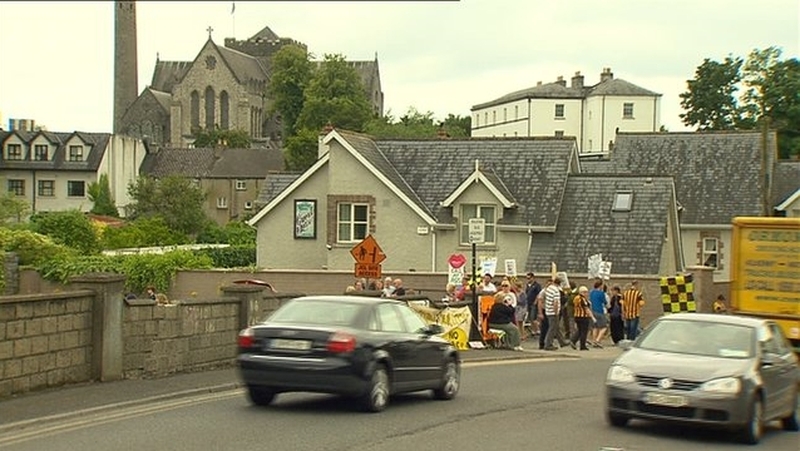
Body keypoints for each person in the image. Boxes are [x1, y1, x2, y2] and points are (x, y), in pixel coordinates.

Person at [488, 285, 523, 351]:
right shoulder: (501, 306)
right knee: (515, 329)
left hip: (493, 323)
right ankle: (516, 344)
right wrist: (509, 304)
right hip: (500, 323)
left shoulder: (494, 306)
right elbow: (511, 311)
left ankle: (508, 344)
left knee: (508, 330)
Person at [542, 277, 569, 350]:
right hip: (553, 312)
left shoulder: (549, 288)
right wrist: (556, 312)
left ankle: (562, 341)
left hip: (548, 310)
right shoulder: (556, 291)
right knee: (552, 328)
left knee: (556, 327)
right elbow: (556, 302)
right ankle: (548, 344)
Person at [569, 286, 594, 350]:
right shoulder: (582, 299)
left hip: (577, 315)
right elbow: (586, 308)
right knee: (584, 331)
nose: (586, 294)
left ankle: (573, 340)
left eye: (586, 292)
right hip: (583, 316)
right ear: (581, 292)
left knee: (580, 330)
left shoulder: (576, 298)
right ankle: (582, 345)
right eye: (585, 292)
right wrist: (592, 317)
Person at [588, 280, 608, 348]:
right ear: (600, 285)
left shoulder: (592, 292)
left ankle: (594, 341)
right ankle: (598, 340)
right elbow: (605, 302)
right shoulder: (601, 293)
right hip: (600, 311)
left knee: (595, 327)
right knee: (604, 327)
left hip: (593, 311)